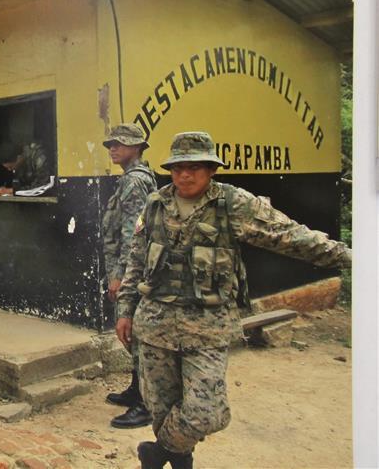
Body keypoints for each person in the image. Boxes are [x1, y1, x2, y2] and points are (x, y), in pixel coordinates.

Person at [116, 131, 351, 469]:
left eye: (195, 167)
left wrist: (348, 256)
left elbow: (287, 235)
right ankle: (178, 461)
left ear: (212, 169)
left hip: (207, 329)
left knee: (205, 413)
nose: (185, 174)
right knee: (162, 409)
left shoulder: (232, 203)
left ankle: (157, 452)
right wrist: (125, 310)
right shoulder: (155, 204)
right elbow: (135, 262)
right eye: (178, 167)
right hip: (155, 325)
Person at [100, 124, 157, 429]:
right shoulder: (133, 178)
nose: (113, 148)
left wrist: (119, 276)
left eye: (120, 144)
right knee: (131, 332)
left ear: (137, 148)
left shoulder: (135, 182)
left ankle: (146, 404)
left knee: (132, 331)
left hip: (130, 271)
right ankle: (137, 389)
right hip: (132, 269)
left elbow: (131, 235)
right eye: (111, 144)